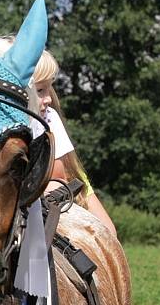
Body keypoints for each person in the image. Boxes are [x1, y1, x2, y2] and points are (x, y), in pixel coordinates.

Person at [33, 50, 117, 236]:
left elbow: (58, 176)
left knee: (108, 233)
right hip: (52, 194)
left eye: (48, 88)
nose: (48, 98)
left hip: (70, 187)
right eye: (40, 90)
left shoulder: (48, 118)